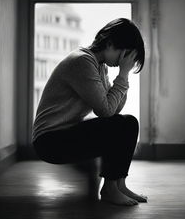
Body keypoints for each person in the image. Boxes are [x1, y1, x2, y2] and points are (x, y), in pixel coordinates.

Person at [32, 18, 147, 206]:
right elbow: (105, 111)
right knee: (120, 124)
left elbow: (114, 108)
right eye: (123, 55)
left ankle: (118, 184)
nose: (122, 63)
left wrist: (122, 79)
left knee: (128, 122)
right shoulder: (82, 62)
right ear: (110, 44)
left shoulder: (99, 66)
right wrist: (123, 75)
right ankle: (110, 189)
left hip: (64, 134)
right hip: (49, 142)